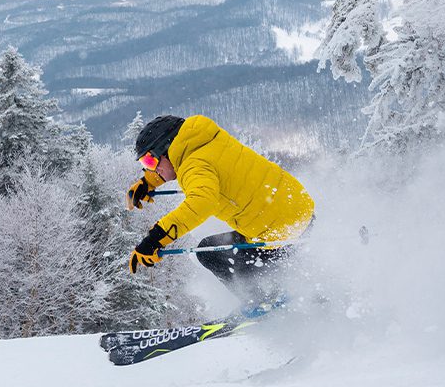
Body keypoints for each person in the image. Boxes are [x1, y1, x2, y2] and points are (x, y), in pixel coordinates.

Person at [124, 114, 315, 310]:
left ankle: (262, 303)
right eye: (145, 165)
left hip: (279, 232)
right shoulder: (206, 141)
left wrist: (154, 239)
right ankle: (293, 292)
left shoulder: (194, 165)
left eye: (149, 161)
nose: (152, 170)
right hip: (300, 212)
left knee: (210, 253)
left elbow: (201, 202)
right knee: (228, 249)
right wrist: (148, 182)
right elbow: (185, 168)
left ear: (166, 148)